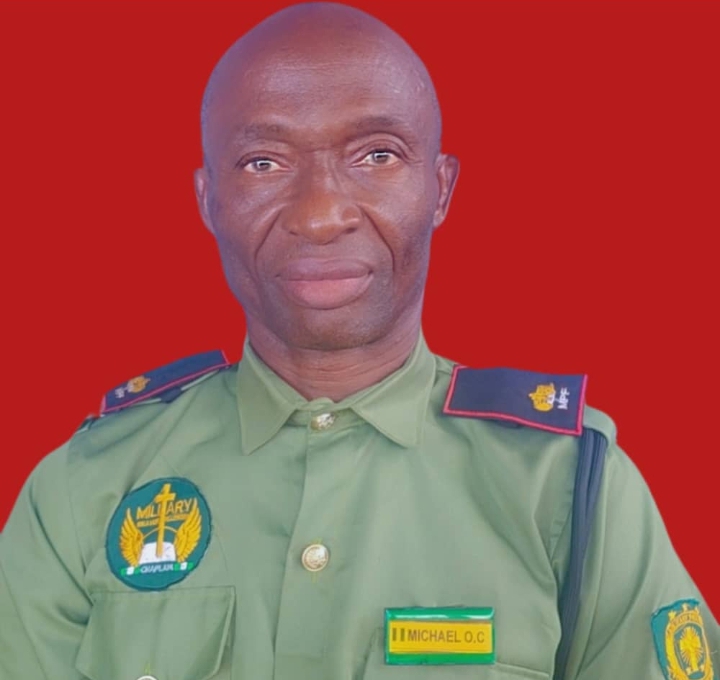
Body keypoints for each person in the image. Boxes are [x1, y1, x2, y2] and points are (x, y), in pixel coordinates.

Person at [0, 2, 716, 679]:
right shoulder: (85, 489)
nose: (319, 215)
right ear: (208, 199)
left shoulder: (567, 489)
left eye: (376, 155)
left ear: (440, 189)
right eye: (263, 163)